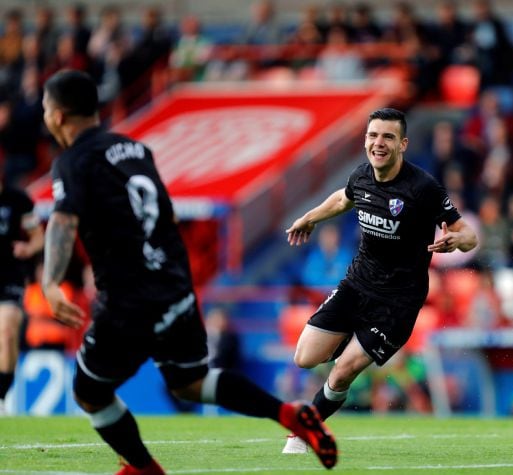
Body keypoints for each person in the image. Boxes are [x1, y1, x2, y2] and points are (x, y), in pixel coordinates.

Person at [40, 70, 336, 474]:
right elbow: (168, 212)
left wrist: (51, 280)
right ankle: (290, 414)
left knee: (89, 391)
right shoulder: (135, 149)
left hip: (129, 297)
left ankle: (144, 468)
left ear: (57, 115)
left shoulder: (72, 161)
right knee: (190, 382)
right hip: (174, 285)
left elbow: (63, 220)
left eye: (44, 109)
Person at [283, 108, 477, 453]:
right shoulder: (361, 176)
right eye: (373, 136)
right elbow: (343, 199)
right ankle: (353, 341)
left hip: (398, 302)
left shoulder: (423, 187)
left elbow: (469, 235)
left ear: (402, 143)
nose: (379, 143)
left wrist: (455, 240)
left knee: (342, 372)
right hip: (357, 285)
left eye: (387, 136)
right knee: (304, 358)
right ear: (365, 142)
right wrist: (309, 217)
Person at [0, 177, 44, 414]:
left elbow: (39, 236)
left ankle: (1, 396)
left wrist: (29, 248)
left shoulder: (17, 200)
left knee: (6, 332)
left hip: (9, 277)